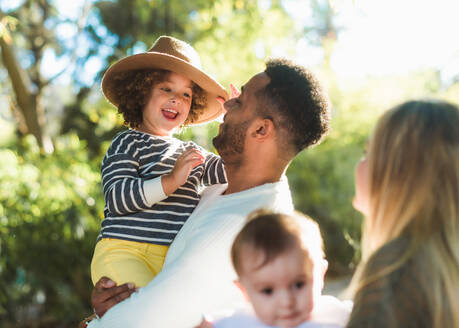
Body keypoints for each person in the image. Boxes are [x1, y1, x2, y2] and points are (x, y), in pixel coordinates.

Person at [85, 58, 331, 328]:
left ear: (260, 129)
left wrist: (94, 322)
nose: (226, 103)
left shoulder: (243, 228)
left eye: (240, 100)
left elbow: (139, 321)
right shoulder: (225, 189)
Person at [90, 35, 229, 289]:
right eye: (166, 89)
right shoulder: (127, 143)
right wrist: (170, 181)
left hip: (171, 260)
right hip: (123, 251)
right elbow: (117, 198)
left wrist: (234, 124)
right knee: (146, 308)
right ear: (142, 93)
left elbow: (233, 171)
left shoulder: (192, 152)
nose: (177, 99)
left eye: (186, 95)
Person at [347, 100, 459, 328]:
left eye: (368, 153)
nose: (360, 165)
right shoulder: (441, 265)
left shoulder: (396, 267)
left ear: (399, 174)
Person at [200, 210, 351, 328]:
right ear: (244, 292)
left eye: (298, 285)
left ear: (320, 275)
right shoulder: (237, 322)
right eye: (268, 291)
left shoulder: (337, 314)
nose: (286, 302)